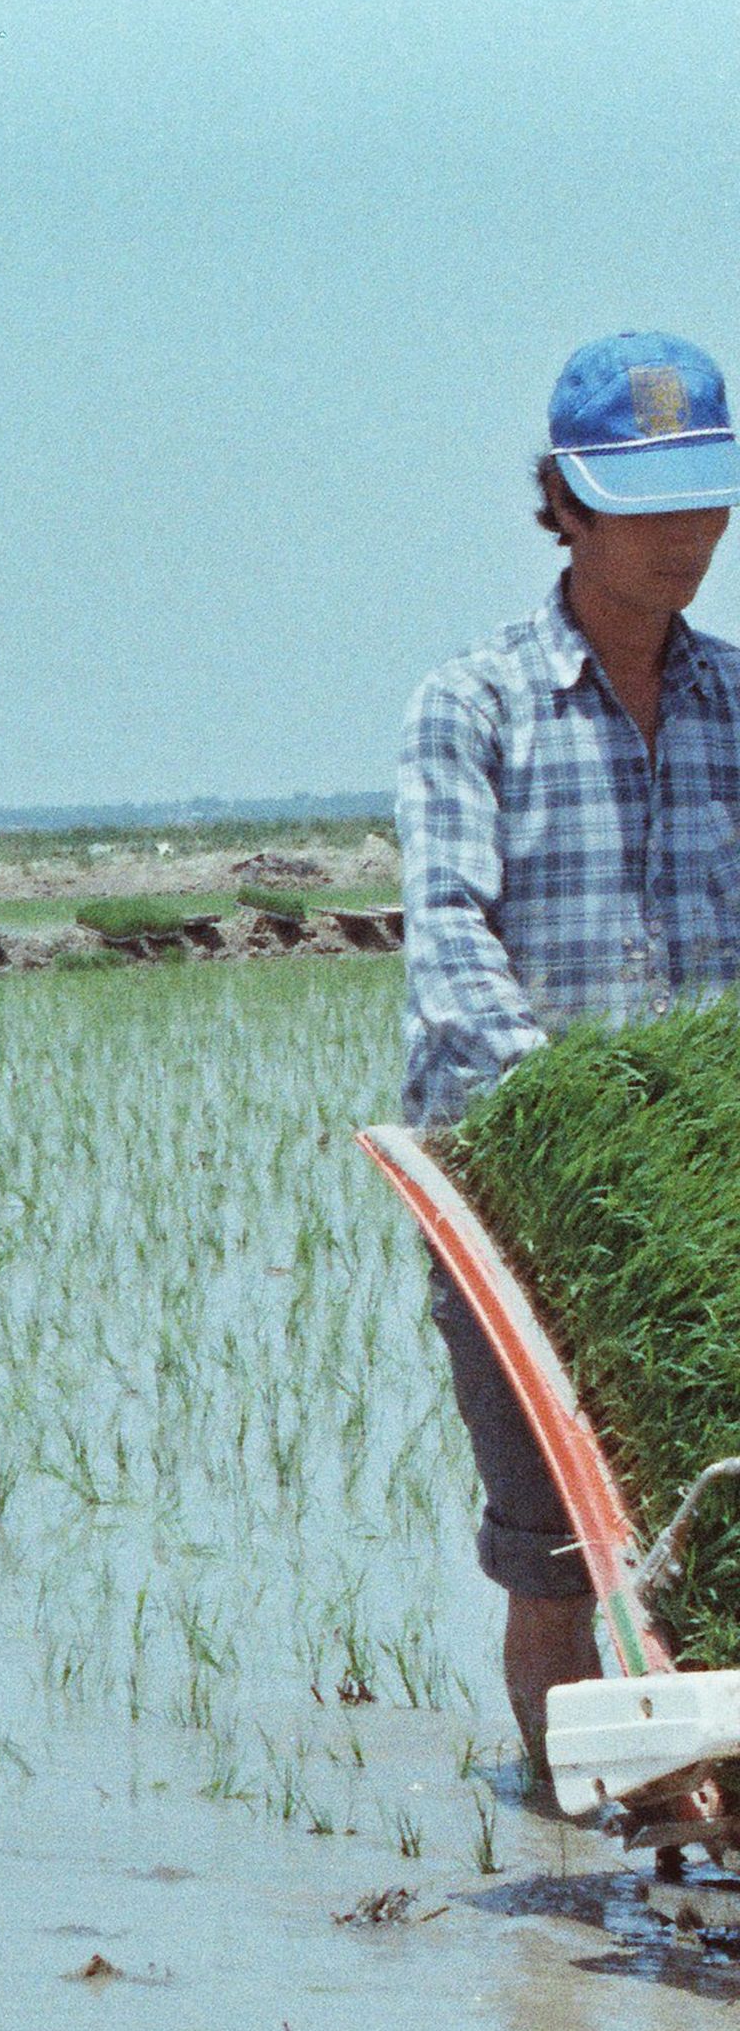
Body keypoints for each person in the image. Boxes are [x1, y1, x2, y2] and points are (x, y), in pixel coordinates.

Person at [400, 331, 740, 1777]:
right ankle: (571, 1847)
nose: (683, 538)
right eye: (642, 502)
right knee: (552, 1546)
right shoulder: (473, 706)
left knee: (718, 1518)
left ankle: (700, 1819)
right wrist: (579, 1115)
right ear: (566, 503)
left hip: (715, 1204)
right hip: (519, 1197)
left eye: (705, 499)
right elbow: (453, 951)